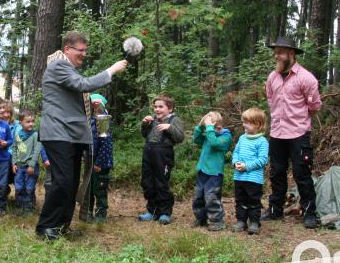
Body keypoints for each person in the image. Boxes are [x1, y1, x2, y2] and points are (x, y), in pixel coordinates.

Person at [35, 31, 127, 241]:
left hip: (72, 135)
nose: (84, 54)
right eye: (81, 50)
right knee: (63, 181)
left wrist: (88, 104)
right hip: (59, 133)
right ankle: (46, 226)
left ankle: (61, 226)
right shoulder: (59, 65)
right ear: (67, 49)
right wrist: (111, 70)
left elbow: (73, 93)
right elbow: (83, 85)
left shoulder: (68, 70)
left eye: (86, 50)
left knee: (71, 183)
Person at [262, 37, 322, 229]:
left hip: (298, 133)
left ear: (291, 53)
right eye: (276, 51)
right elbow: (270, 100)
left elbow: (314, 106)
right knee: (276, 172)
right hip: (277, 133)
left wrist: (299, 119)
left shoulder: (306, 78)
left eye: (280, 52)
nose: (276, 55)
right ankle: (275, 210)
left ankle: (310, 212)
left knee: (302, 173)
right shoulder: (273, 77)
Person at [138, 94, 186, 225]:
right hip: (148, 153)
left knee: (161, 183)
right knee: (148, 182)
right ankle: (151, 211)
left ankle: (165, 213)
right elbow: (144, 135)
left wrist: (169, 128)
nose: (157, 109)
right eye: (155, 107)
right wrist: (145, 124)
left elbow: (180, 137)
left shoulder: (174, 120)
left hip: (163, 156)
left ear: (169, 109)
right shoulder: (152, 119)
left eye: (161, 107)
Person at [191, 111, 232, 232]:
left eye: (211, 126)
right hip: (202, 171)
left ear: (218, 126)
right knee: (198, 196)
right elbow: (197, 139)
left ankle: (216, 221)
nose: (209, 129)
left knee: (211, 197)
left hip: (214, 173)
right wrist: (200, 126)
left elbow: (214, 143)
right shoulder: (209, 134)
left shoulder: (225, 136)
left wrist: (209, 128)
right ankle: (201, 218)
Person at [231, 108, 270, 235]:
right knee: (240, 200)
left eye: (247, 122)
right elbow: (236, 152)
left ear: (258, 124)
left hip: (253, 179)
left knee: (253, 201)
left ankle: (254, 222)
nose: (244, 124)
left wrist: (246, 166)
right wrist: (235, 162)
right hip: (239, 177)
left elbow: (263, 160)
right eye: (243, 121)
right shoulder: (242, 138)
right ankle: (241, 221)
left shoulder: (262, 141)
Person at [86, 94, 113, 222]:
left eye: (98, 106)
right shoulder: (89, 120)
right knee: (89, 187)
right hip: (90, 159)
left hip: (101, 162)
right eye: (93, 105)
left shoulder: (103, 120)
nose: (95, 108)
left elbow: (106, 144)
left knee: (100, 187)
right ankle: (88, 211)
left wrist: (99, 163)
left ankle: (101, 212)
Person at [11, 110, 41, 214]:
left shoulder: (35, 135)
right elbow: (14, 148)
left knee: (29, 187)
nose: (31, 124)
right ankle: (20, 207)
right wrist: (14, 163)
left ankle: (29, 208)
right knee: (19, 187)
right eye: (28, 121)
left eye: (33, 121)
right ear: (21, 123)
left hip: (30, 167)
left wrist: (32, 165)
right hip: (19, 167)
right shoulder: (18, 135)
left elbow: (36, 151)